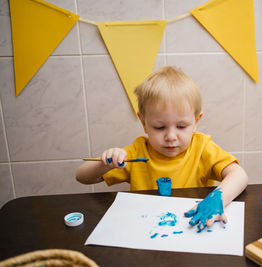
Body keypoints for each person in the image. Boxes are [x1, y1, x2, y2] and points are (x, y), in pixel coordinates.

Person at [76, 66, 248, 232]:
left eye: (181, 126)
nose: (171, 136)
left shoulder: (202, 148)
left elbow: (239, 175)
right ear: (143, 123)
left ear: (196, 122)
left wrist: (218, 198)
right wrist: (106, 163)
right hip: (146, 230)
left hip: (192, 227)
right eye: (159, 127)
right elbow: (82, 177)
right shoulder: (137, 152)